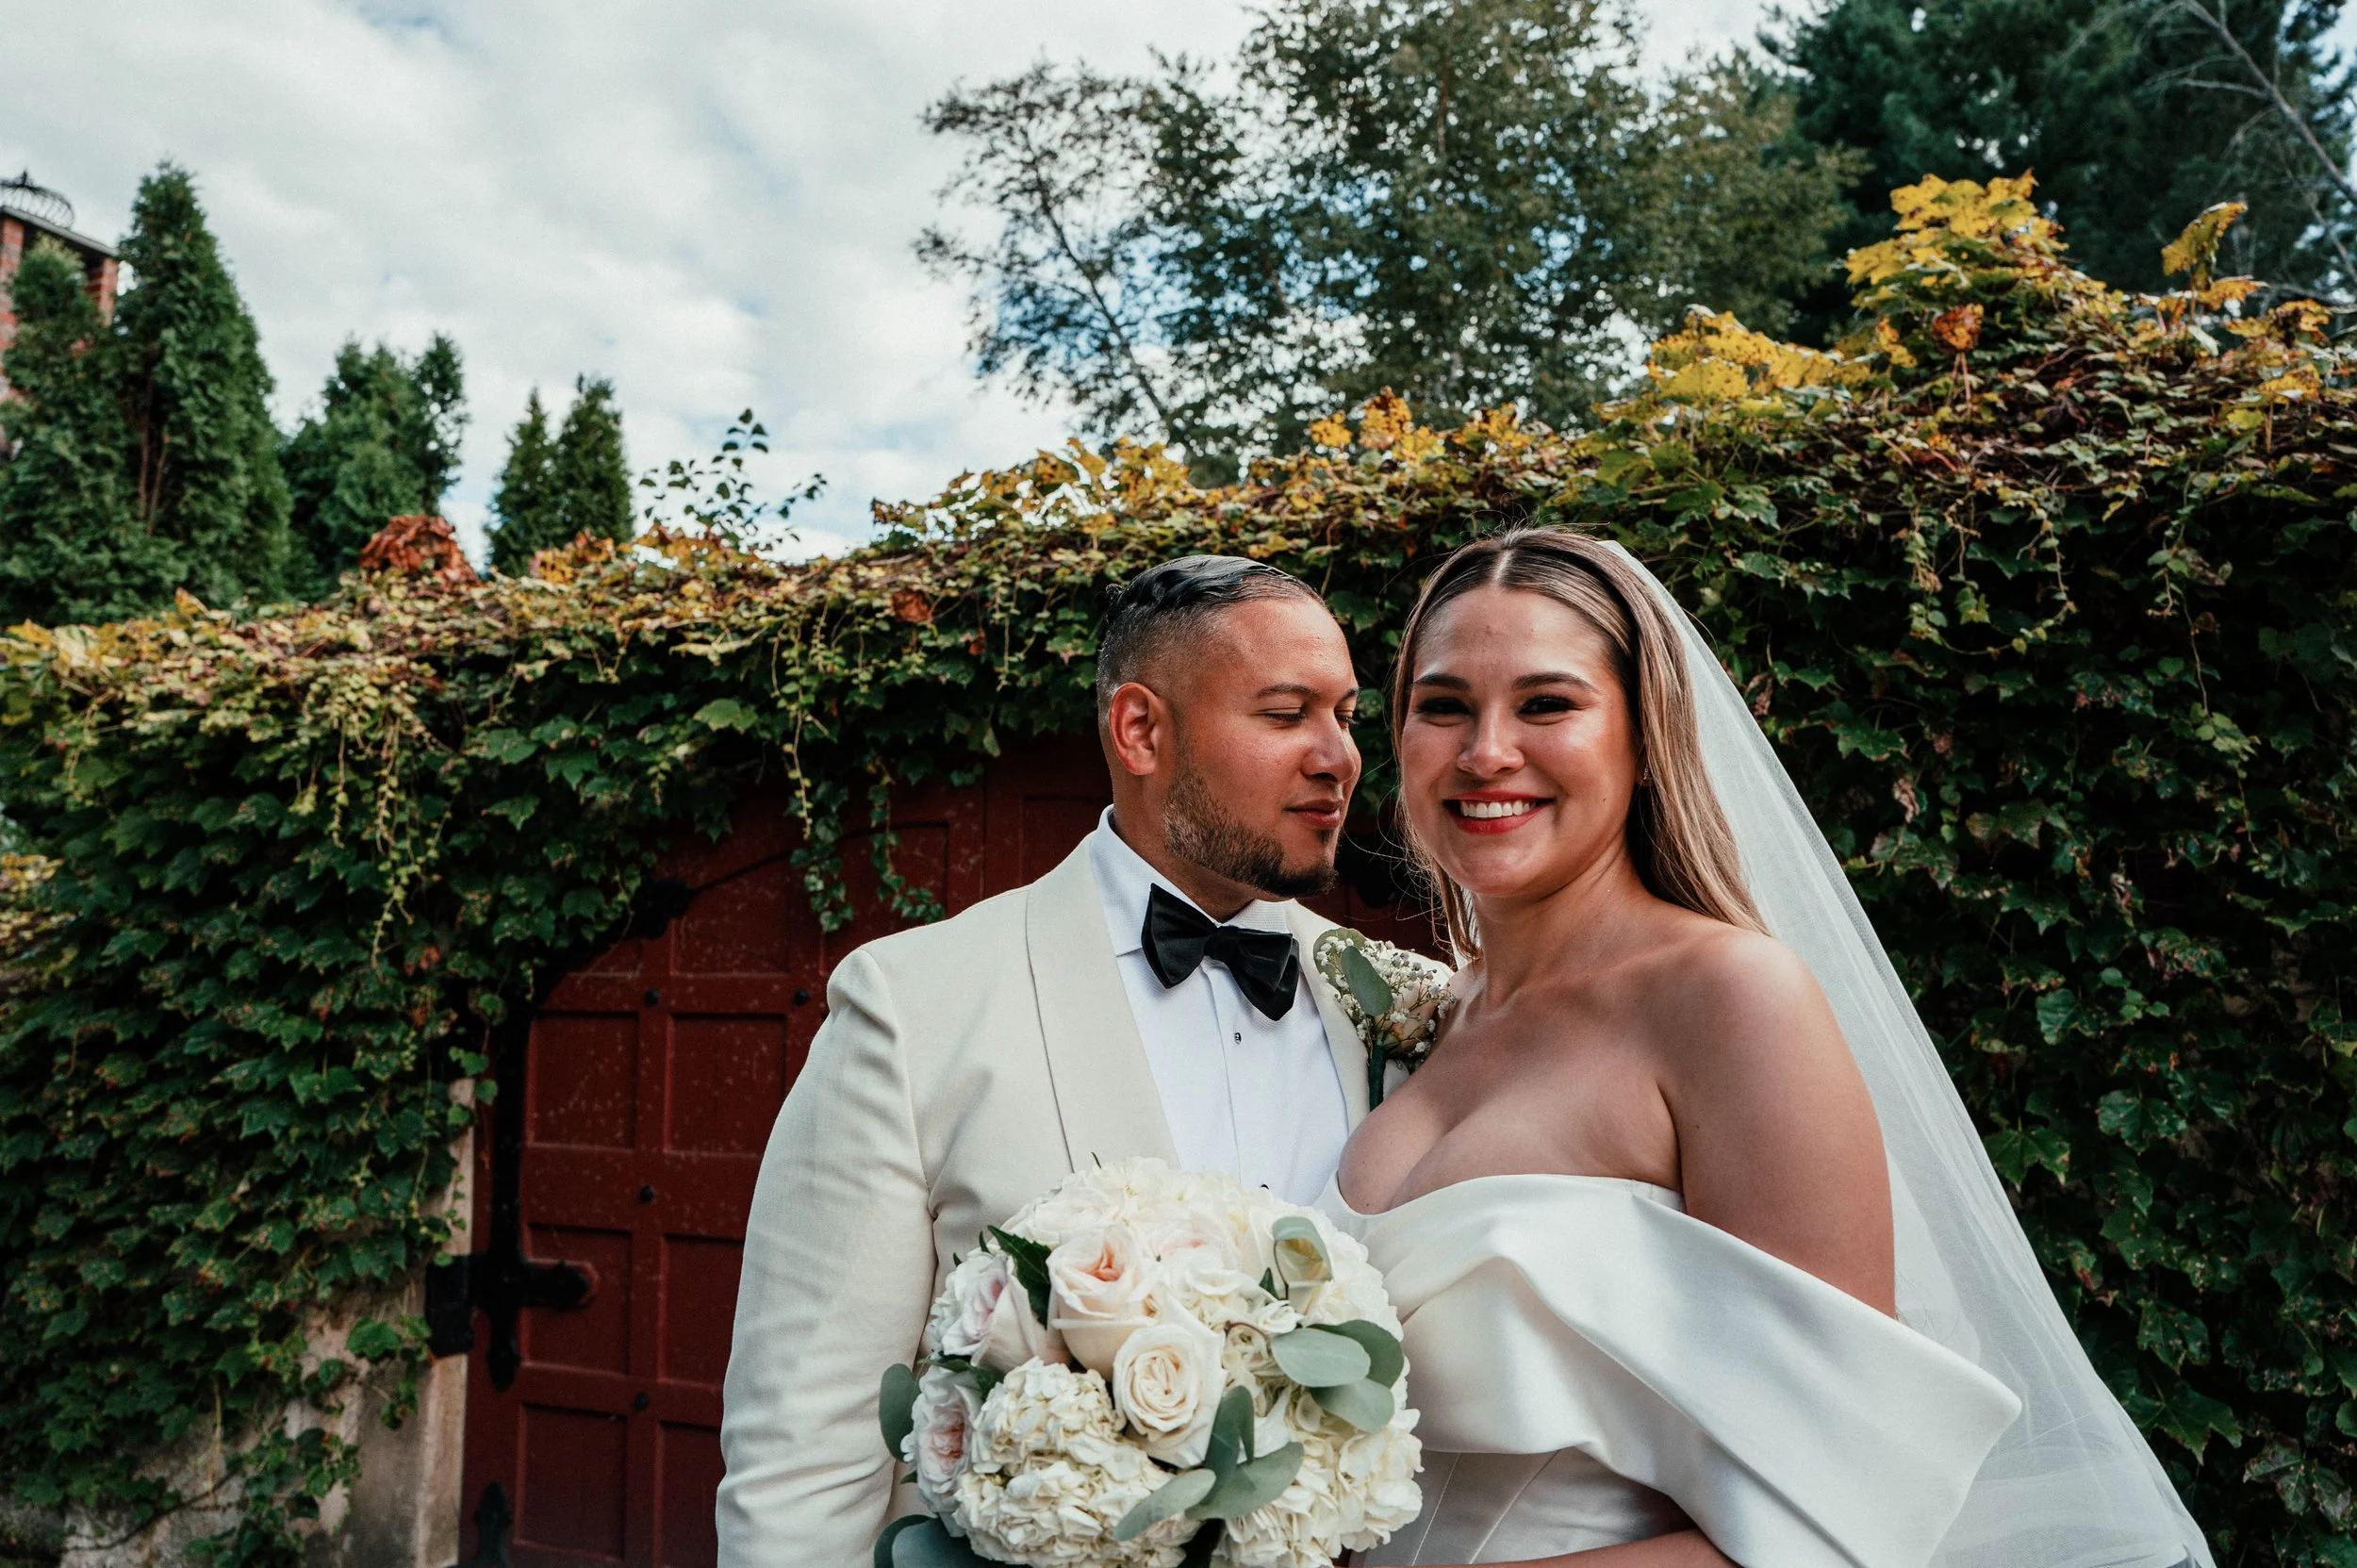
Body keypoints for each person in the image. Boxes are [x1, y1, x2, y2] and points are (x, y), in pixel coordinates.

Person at [1323, 528, 2213, 1568]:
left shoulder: (1728, 996)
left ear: (1644, 739)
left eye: (1547, 703)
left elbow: (1848, 1510)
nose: (1485, 752)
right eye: (1442, 706)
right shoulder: (1423, 1013)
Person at [717, 555, 1378, 1564]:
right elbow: (803, 1453)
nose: (1338, 755)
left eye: (1346, 713)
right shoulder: (910, 1006)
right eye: (1288, 713)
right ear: (1140, 730)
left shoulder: (1402, 1002)